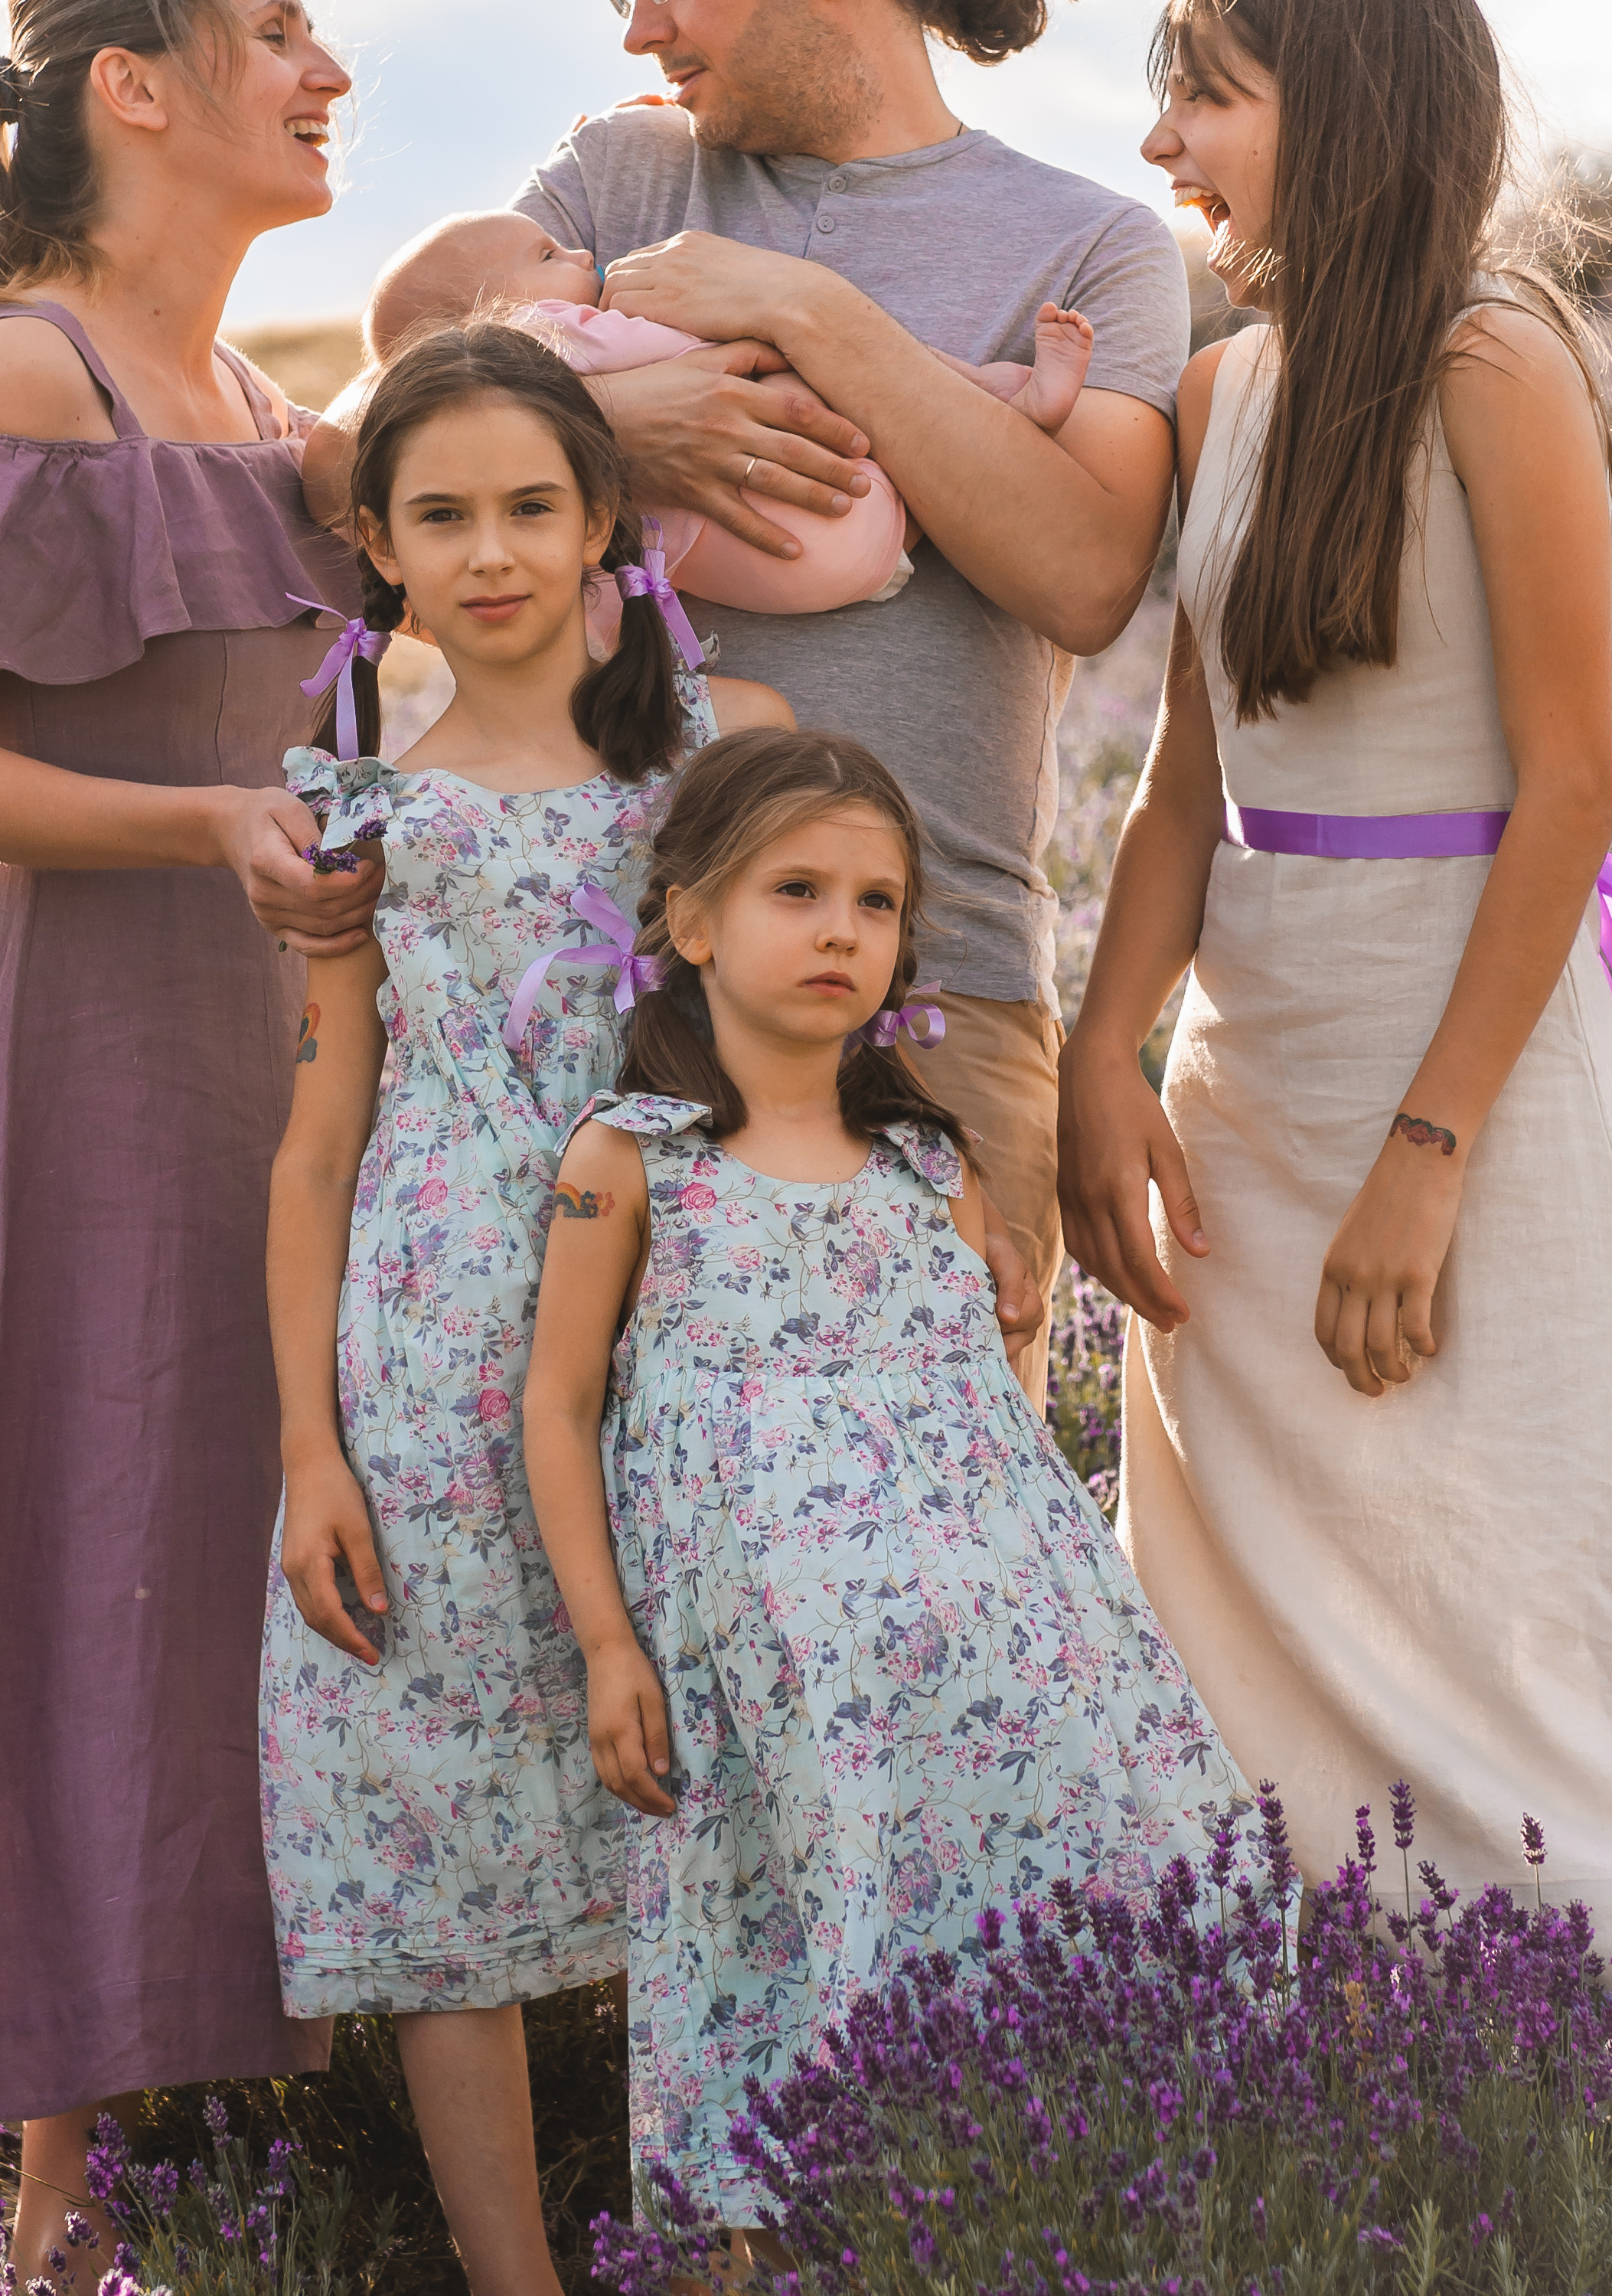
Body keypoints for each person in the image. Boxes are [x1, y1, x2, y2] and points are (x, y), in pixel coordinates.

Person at [1055, 0, 1612, 1951]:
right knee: (1264, 1524)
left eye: (1211, 92)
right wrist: (1106, 1054)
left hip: (1465, 1035)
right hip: (1249, 1051)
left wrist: (1429, 1151)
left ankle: (1602, 1930)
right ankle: (1331, 1955)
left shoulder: (1494, 358)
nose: (1164, 134)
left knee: (1516, 1474)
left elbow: (1577, 784)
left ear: (1341, 115)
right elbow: (1186, 786)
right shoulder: (1221, 383)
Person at [0, 0, 379, 2283]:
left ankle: (258, 2127)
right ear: (130, 85)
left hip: (272, 1073)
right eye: (270, 27)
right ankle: (53, 2215)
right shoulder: (29, 379)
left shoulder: (264, 414)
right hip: (68, 1080)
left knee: (226, 1576)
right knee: (66, 1556)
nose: (322, 60)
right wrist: (210, 826)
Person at [365, 0, 1193, 1392]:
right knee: (577, 1587)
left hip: (928, 1001)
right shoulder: (617, 178)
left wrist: (816, 319)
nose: (638, 27)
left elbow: (1085, 573)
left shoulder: (1089, 246)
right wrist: (631, 442)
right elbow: (378, 438)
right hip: (588, 977)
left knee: (924, 1586)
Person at [522, 728, 1251, 2242]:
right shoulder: (630, 1156)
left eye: (875, 902)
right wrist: (605, 1641)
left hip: (980, 1630)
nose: (843, 929)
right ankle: (785, 2217)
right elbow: (561, 1404)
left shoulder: (927, 1158)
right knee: (804, 1926)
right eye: (798, 890)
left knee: (1117, 1841)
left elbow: (985, 1424)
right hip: (776, 1659)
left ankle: (1038, 2164)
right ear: (692, 919)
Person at [259, 325, 798, 2294]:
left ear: (600, 528)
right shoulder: (352, 804)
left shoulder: (711, 748)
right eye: (440, 514)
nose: (490, 550)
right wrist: (310, 1439)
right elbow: (317, 1142)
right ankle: (516, 2275)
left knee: (715, 1752)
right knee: (431, 1785)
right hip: (422, 1334)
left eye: (531, 506)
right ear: (382, 553)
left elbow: (805, 1037)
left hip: (682, 1317)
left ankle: (737, 2234)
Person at [367, 204, 1094, 617]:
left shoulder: (1097, 238)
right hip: (824, 508)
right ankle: (1013, 396)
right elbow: (358, 440)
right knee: (877, 369)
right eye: (551, 250)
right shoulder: (548, 329)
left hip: (800, 565)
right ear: (500, 309)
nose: (585, 247)